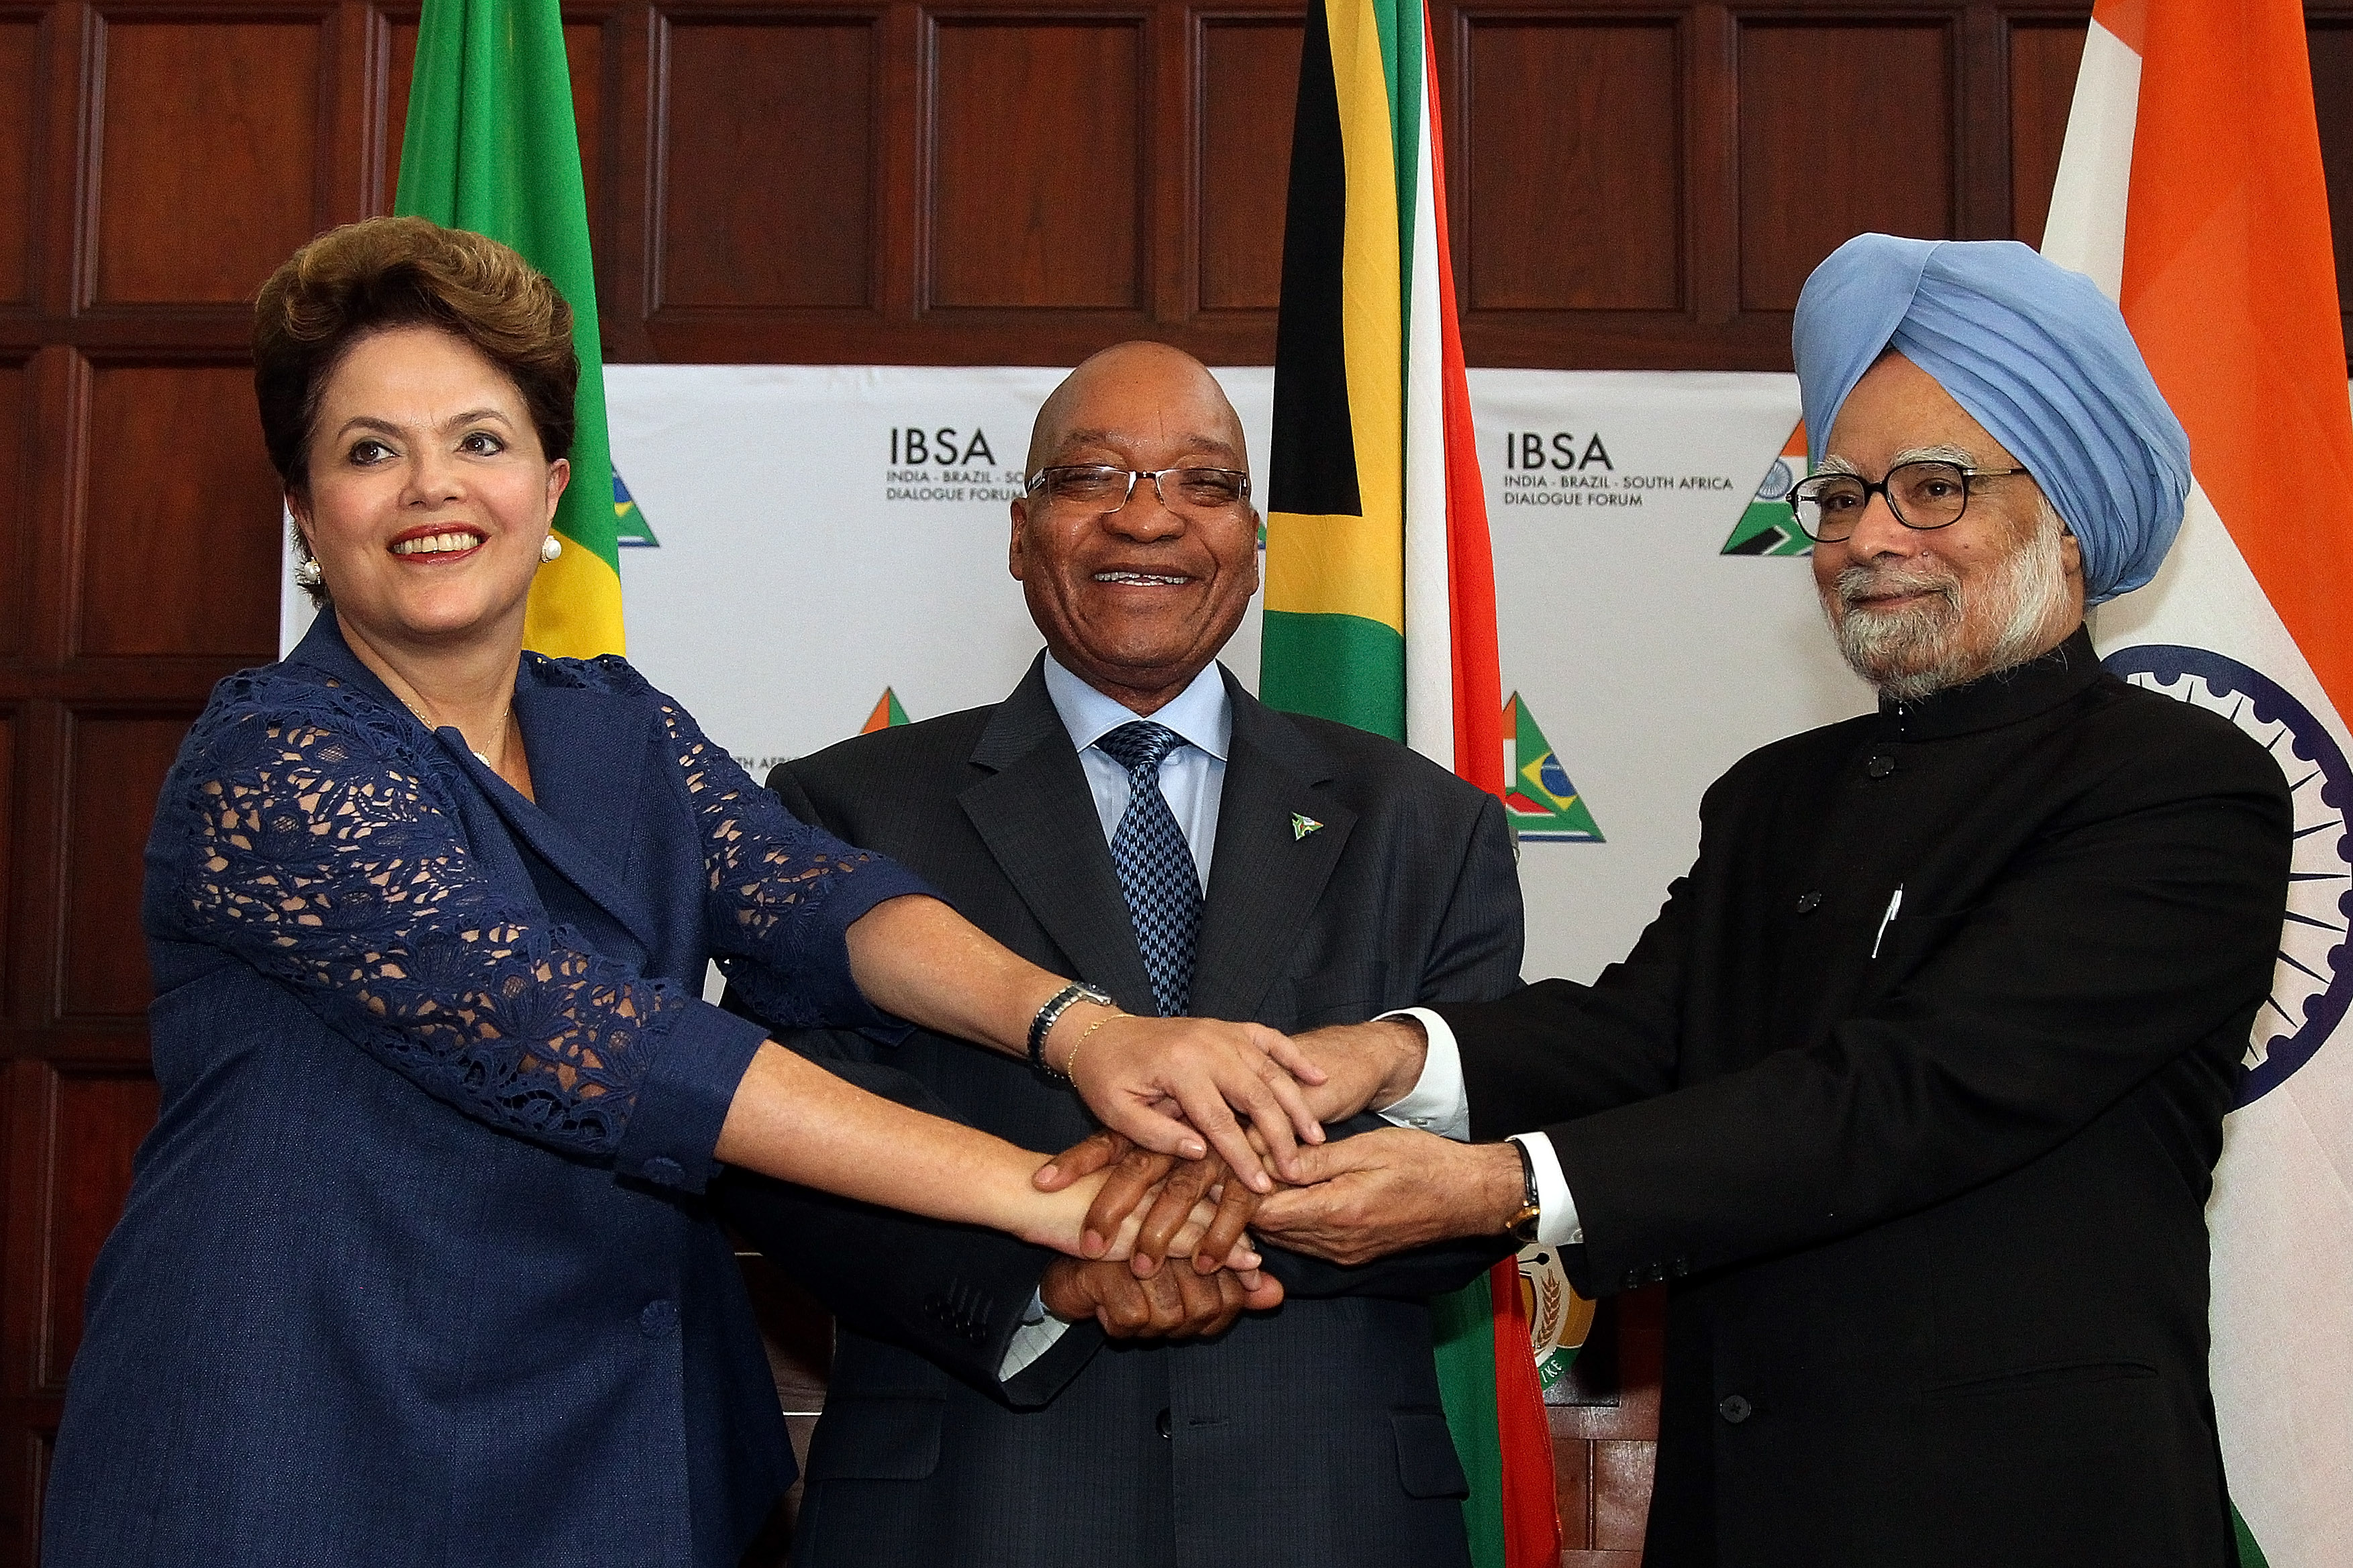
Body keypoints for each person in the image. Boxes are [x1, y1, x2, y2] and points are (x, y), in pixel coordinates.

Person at [40, 220, 1325, 1568]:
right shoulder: (277, 758)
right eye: (371, 451)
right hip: (310, 1455)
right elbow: (602, 1042)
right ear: (308, 511)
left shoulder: (618, 725)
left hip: (607, 1457)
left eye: (478, 442)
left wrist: (1086, 1028)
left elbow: (824, 903)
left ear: (548, 489)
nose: (433, 490)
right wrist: (1046, 1195)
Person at [1249, 236, 2295, 1567]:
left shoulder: (2183, 791)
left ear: (2073, 513)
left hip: (2024, 1519)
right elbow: (1643, 1034)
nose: (1868, 537)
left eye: (1932, 489)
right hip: (1745, 1513)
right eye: (1842, 493)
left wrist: (1502, 1188)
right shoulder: (1775, 793)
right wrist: (1391, 1053)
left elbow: (1913, 1092)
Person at [716, 341, 1523, 1568]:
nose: (1148, 517)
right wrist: (1051, 1280)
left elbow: (1475, 1160)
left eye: (1203, 483)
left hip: (1325, 1508)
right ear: (1019, 528)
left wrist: (1206, 1223)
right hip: (969, 1508)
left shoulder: (1429, 822)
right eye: (1093, 473)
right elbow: (782, 1148)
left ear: (1254, 540)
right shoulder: (848, 810)